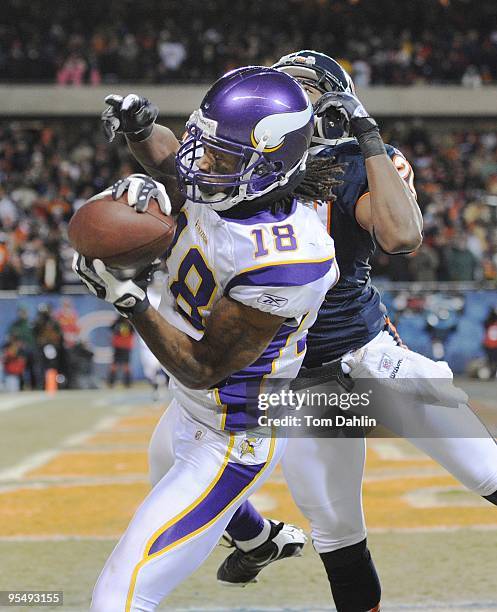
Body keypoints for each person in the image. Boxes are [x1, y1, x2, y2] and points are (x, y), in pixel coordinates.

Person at [216, 51, 497, 612]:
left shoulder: (357, 160)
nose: (290, 98)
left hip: (368, 357)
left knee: (486, 470)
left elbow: (401, 235)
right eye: (283, 86)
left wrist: (367, 137)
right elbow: (180, 169)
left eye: (305, 88)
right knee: (337, 534)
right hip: (297, 378)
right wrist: (145, 139)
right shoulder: (241, 164)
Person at [75, 66, 339, 611]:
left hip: (230, 433)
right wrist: (141, 129)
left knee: (117, 597)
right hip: (188, 413)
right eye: (205, 144)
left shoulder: (288, 257)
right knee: (168, 478)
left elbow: (203, 365)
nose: (201, 164)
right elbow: (175, 161)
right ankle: (258, 540)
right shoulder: (229, 188)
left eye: (221, 157)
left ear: (269, 165)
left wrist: (129, 300)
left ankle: (249, 532)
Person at [108, 316, 135, 388]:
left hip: (125, 346)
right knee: (116, 365)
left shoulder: (129, 321)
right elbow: (111, 328)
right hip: (120, 346)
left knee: (125, 365)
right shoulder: (119, 321)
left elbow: (133, 331)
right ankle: (113, 382)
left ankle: (126, 383)